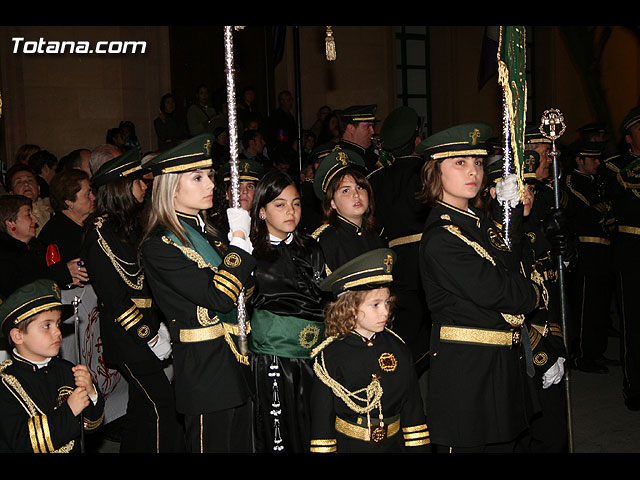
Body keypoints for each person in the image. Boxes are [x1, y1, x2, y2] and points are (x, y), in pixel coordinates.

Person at [416, 123, 543, 452]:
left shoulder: (476, 222)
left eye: (477, 162)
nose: (473, 171)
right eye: (459, 163)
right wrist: (533, 292)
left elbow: (510, 261)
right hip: (468, 371)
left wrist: (512, 214)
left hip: (499, 362)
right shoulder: (442, 238)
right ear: (435, 173)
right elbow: (500, 291)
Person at [140, 133, 256, 452]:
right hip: (205, 371)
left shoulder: (210, 233)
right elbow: (218, 296)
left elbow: (249, 289)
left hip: (237, 362)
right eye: (198, 177)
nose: (210, 185)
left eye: (209, 176)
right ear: (172, 187)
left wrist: (238, 248)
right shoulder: (160, 245)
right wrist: (241, 245)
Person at [82, 149, 186, 453]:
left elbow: (145, 283)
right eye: (138, 183)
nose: (145, 186)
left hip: (149, 328)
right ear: (121, 187)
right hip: (128, 336)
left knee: (142, 407)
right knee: (161, 405)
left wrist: (161, 324)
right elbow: (113, 296)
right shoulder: (98, 232)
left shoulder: (130, 224)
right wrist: (147, 335)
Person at [309, 248, 431, 453]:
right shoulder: (329, 356)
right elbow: (322, 427)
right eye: (375, 305)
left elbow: (414, 414)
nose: (385, 311)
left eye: (387, 303)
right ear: (349, 307)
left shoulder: (398, 348)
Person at [248, 170, 329, 453]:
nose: (290, 211)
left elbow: (325, 297)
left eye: (295, 203)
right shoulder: (250, 255)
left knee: (315, 425)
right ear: (261, 212)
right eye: (280, 205)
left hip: (314, 354)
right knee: (280, 429)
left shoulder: (312, 248)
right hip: (275, 356)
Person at [0, 279, 105, 453]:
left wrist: (91, 392)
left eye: (57, 324)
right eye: (46, 326)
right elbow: (21, 442)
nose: (57, 331)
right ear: (18, 336)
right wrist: (69, 410)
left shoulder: (66, 369)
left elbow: (90, 426)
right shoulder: (6, 385)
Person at [367, 106, 431, 375]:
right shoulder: (429, 172)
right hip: (431, 257)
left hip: (396, 264)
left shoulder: (377, 179)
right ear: (417, 138)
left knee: (404, 331)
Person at [562, 141, 615, 373]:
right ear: (579, 160)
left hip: (604, 250)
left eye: (598, 159)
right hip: (586, 250)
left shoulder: (598, 182)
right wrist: (602, 210)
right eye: (592, 159)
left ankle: (596, 351)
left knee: (601, 305)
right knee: (585, 307)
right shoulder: (572, 182)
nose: (597, 163)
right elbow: (586, 216)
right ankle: (582, 355)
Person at [606, 105, 640, 411]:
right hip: (632, 248)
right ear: (628, 138)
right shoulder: (617, 167)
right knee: (634, 321)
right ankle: (635, 385)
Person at [311, 149, 385, 273]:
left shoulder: (376, 234)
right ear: (332, 202)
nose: (356, 195)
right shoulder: (326, 241)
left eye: (360, 187)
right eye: (346, 190)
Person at [0, 195, 85, 298]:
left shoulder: (37, 247)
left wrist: (69, 278)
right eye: (28, 215)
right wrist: (63, 273)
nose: (35, 220)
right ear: (10, 223)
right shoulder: (4, 255)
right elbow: (20, 288)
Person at [38, 169, 95, 267]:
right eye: (87, 194)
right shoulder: (56, 234)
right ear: (69, 201)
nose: (94, 197)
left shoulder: (92, 223)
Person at [5, 163, 53, 235]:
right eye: (19, 182)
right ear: (12, 193)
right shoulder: (9, 216)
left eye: (30, 180)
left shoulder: (53, 206)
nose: (26, 184)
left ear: (38, 188)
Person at [338, 105, 380, 172]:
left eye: (372, 127)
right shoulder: (343, 158)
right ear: (351, 128)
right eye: (368, 126)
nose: (373, 132)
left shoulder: (368, 154)